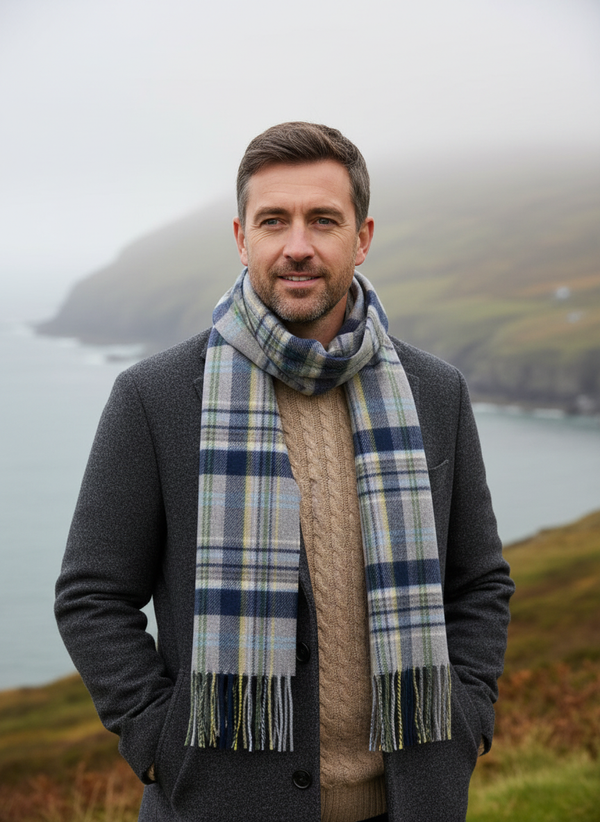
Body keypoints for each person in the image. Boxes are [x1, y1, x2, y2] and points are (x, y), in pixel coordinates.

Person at [55, 122, 514, 822]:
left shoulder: (435, 391)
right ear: (243, 238)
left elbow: (480, 580)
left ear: (362, 238)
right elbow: (91, 595)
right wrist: (158, 743)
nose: (298, 245)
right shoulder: (155, 396)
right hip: (218, 804)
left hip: (410, 802)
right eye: (274, 221)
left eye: (323, 220)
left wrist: (468, 716)